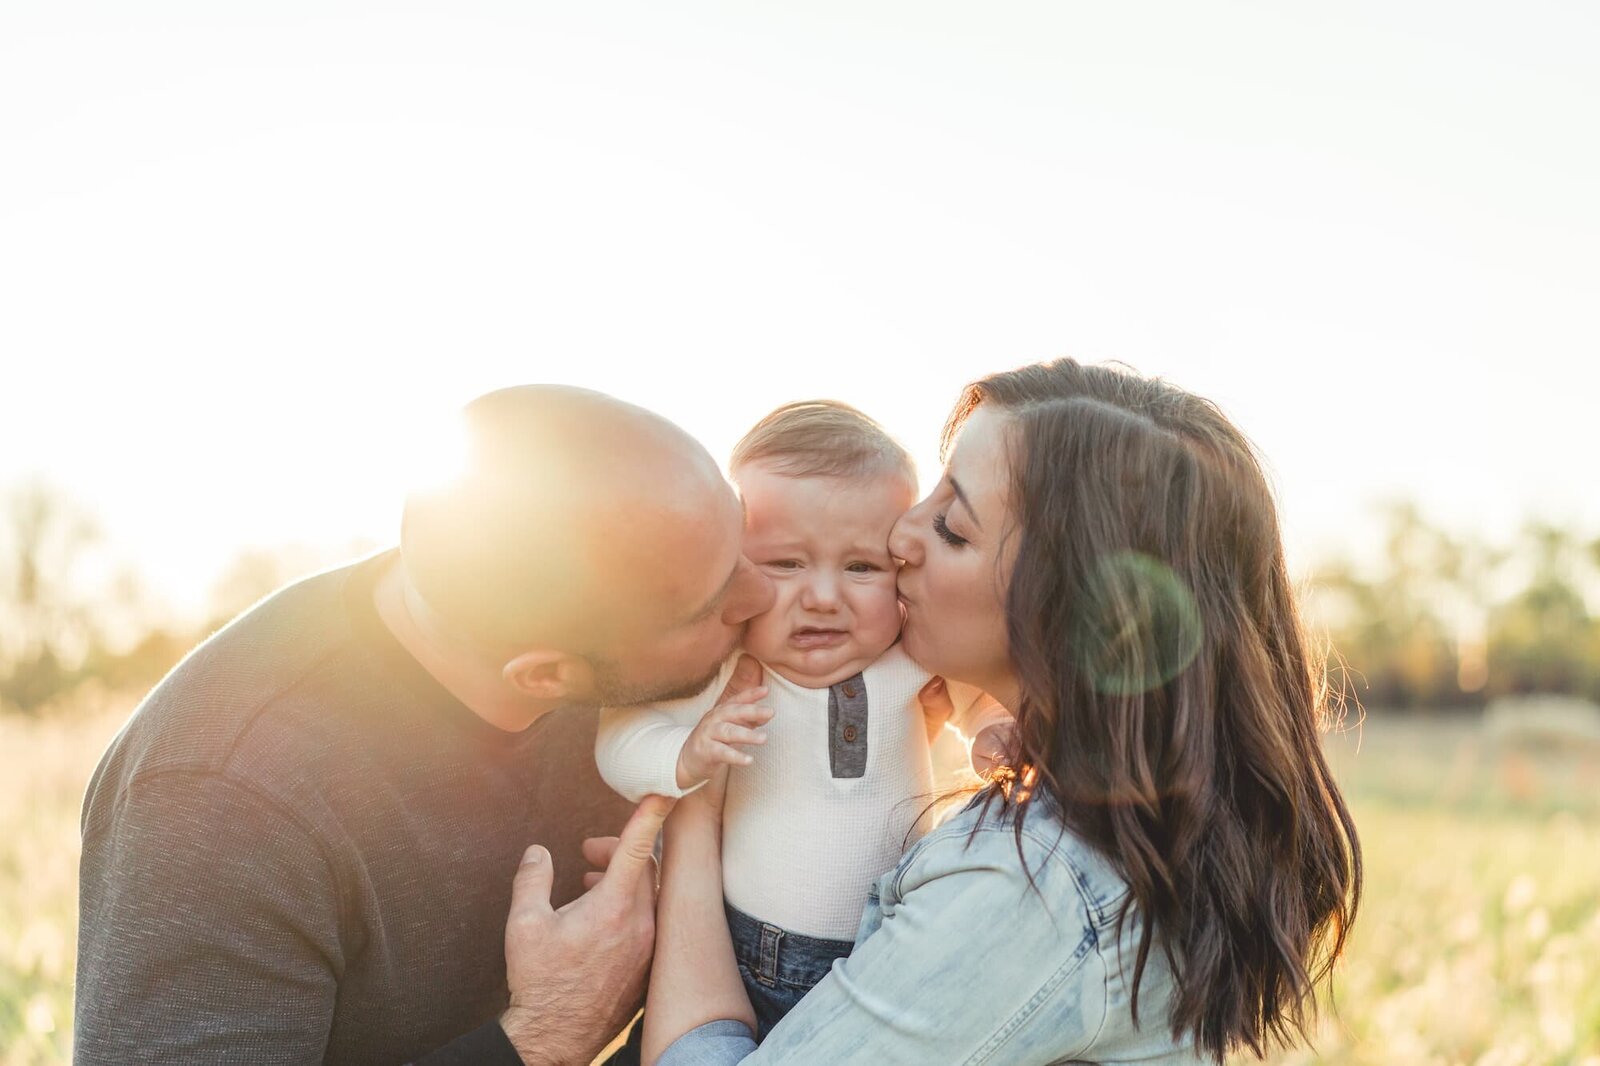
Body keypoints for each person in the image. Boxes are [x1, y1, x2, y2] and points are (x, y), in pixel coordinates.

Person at [638, 359, 1364, 1064]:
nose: (898, 540)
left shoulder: (1032, 889)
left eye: (951, 527)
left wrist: (694, 822)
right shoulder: (1119, 830)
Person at [74, 385, 775, 1065]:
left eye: (743, 536)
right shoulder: (224, 798)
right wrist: (544, 1037)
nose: (765, 593)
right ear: (546, 677)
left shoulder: (609, 613)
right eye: (712, 605)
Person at [594, 401, 1012, 1039]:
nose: (823, 596)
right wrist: (686, 754)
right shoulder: (729, 672)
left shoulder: (912, 659)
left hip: (890, 946)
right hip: (739, 953)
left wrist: (988, 731)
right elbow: (621, 739)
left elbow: (978, 699)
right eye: (785, 563)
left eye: (862, 567)